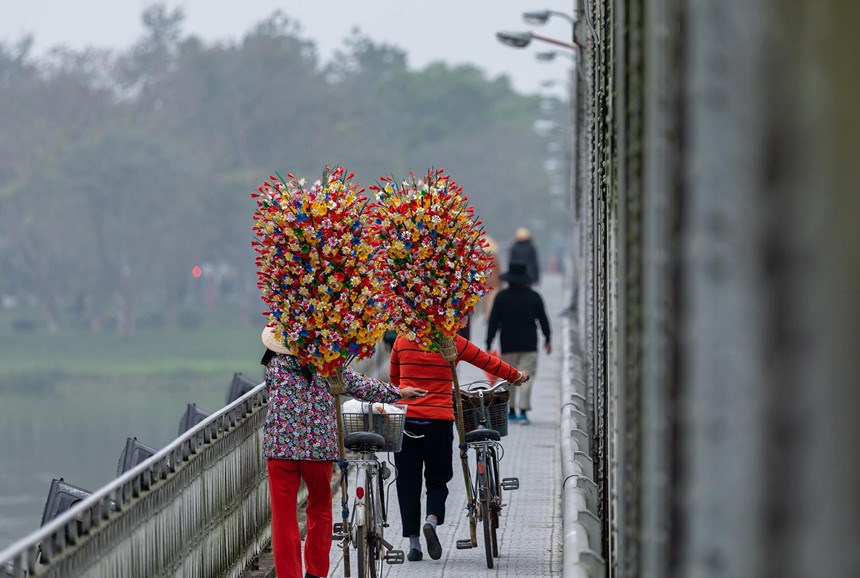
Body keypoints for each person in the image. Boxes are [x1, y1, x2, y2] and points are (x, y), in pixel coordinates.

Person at [261, 326, 427, 578]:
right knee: (319, 510)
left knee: (283, 518)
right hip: (319, 450)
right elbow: (358, 385)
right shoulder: (328, 365)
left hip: (280, 450)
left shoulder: (274, 367)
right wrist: (397, 392)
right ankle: (316, 573)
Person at [389, 334, 529, 562]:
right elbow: (488, 362)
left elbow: (394, 381)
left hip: (407, 420)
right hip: (439, 421)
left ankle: (414, 544)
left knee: (407, 481)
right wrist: (517, 376)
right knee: (438, 479)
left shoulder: (402, 341)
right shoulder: (451, 342)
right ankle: (431, 521)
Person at [486, 263, 552, 424]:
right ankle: (523, 411)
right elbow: (543, 319)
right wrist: (548, 338)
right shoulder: (534, 297)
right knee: (527, 376)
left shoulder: (501, 297)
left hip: (508, 345)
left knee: (509, 377)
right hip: (529, 344)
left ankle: (511, 410)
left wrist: (489, 342)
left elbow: (493, 322)